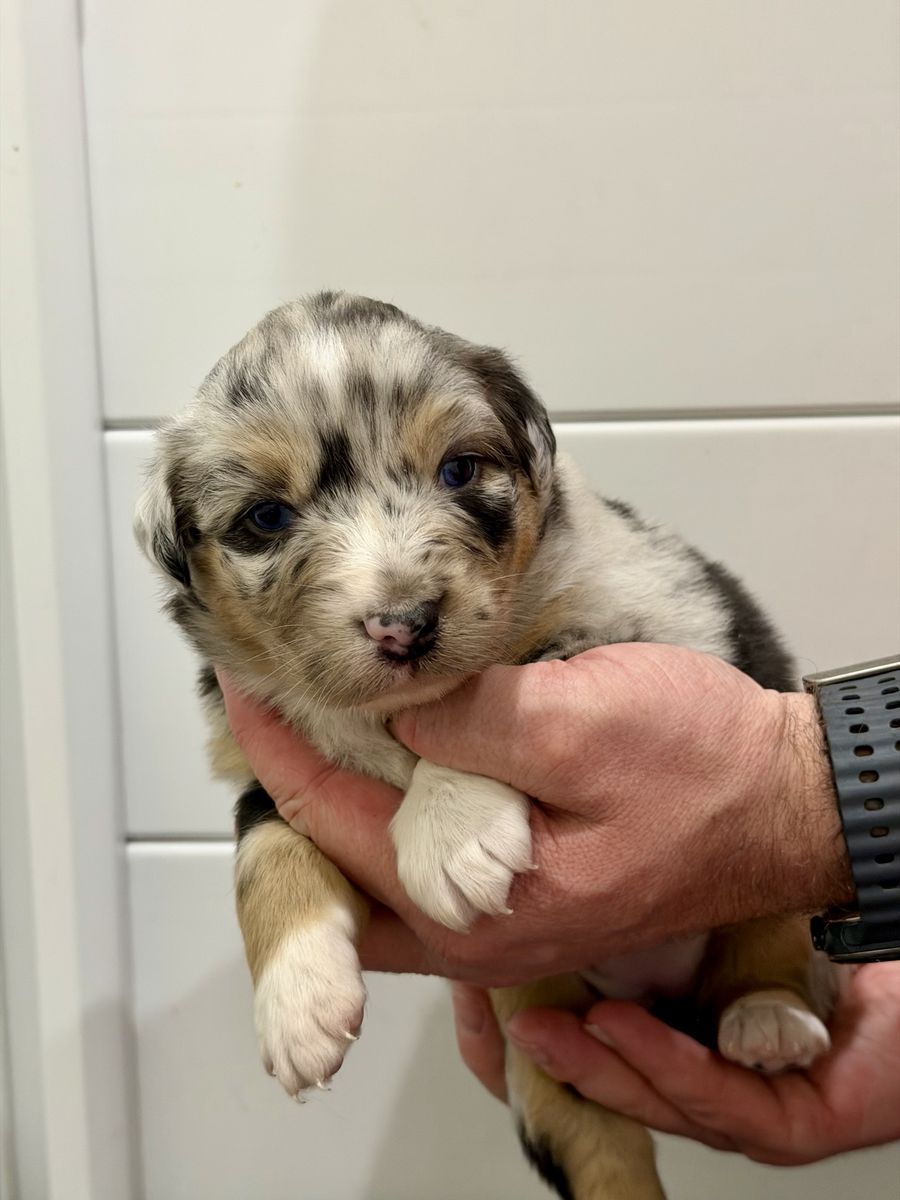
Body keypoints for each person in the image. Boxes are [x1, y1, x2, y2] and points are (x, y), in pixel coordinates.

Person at [218, 642, 900, 1163]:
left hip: (750, 930)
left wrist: (798, 784)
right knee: (544, 1041)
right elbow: (279, 813)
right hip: (561, 986)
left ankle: (767, 989)